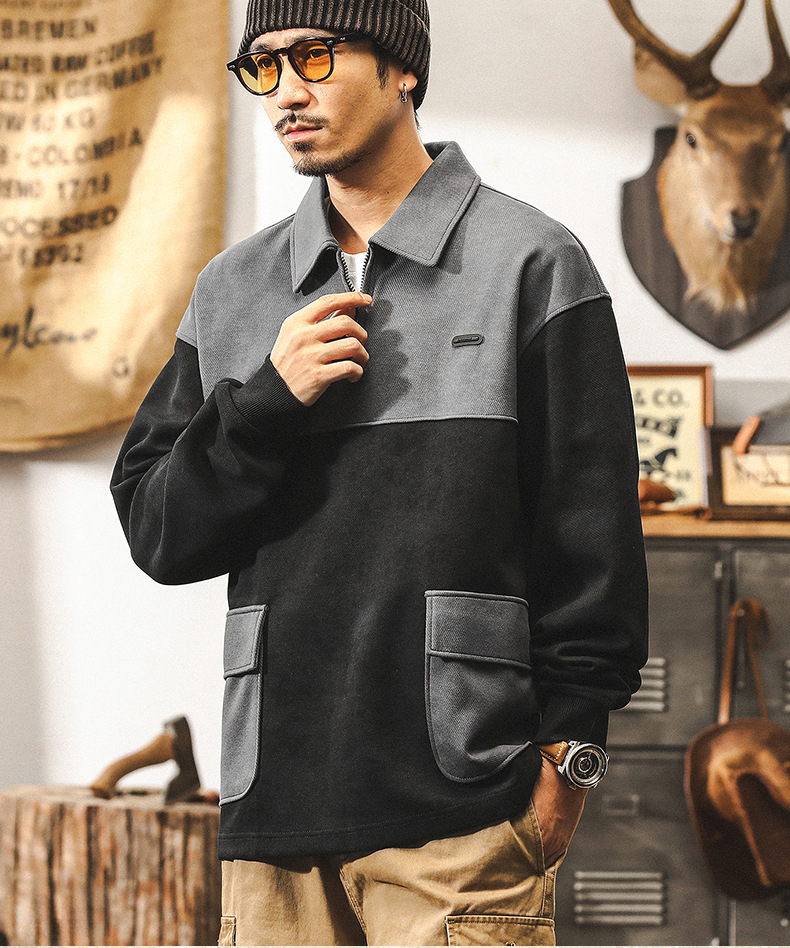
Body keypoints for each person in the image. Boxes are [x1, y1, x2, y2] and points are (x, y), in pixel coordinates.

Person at [110, 0, 649, 944]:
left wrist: (571, 759)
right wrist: (265, 404)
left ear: (404, 68)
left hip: (468, 815)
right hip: (273, 815)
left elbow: (591, 533)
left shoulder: (533, 262)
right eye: (263, 66)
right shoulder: (233, 290)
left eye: (314, 56)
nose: (286, 92)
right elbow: (159, 533)